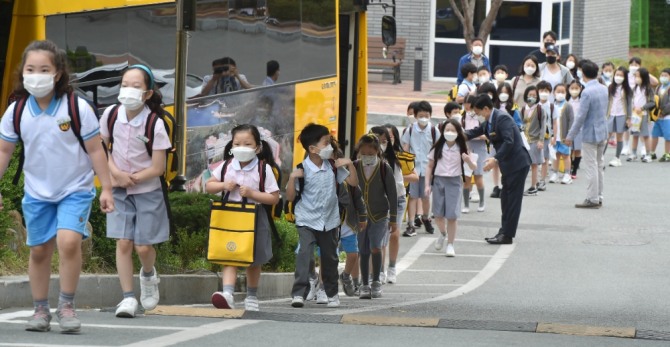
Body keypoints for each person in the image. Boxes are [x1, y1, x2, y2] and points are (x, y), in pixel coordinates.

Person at [0, 40, 114, 333]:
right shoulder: (16, 111)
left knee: (68, 242)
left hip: (75, 189)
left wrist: (108, 188)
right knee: (39, 250)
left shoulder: (76, 107)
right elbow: (3, 152)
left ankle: (66, 305)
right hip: (37, 192)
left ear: (59, 73)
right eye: (30, 69)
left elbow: (96, 149)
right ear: (22, 73)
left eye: (44, 69)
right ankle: (40, 310)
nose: (36, 75)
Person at [100, 65, 170, 318]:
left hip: (148, 191)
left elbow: (158, 167)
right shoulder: (110, 114)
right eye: (125, 85)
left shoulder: (155, 123)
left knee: (143, 247)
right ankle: (128, 298)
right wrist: (116, 175)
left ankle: (149, 275)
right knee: (123, 241)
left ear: (148, 93)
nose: (128, 90)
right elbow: (101, 148)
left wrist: (135, 178)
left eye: (136, 86)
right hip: (119, 189)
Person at [206, 124, 280, 311]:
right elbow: (209, 186)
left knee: (253, 260)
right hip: (230, 216)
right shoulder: (226, 166)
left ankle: (252, 296)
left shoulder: (264, 169)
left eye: (247, 144)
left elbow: (273, 198)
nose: (241, 147)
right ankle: (228, 294)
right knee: (229, 256)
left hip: (254, 217)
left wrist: (253, 194)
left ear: (257, 147)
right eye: (237, 143)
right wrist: (223, 185)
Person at [287, 123, 358, 308]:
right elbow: (290, 196)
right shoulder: (302, 169)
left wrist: (349, 164)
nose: (330, 147)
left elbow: (353, 182)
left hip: (330, 221)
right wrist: (292, 178)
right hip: (306, 220)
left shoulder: (333, 167)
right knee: (305, 254)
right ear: (312, 149)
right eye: (326, 143)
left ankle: (331, 292)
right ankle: (298, 293)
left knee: (330, 258)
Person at [465, 94, 531, 244]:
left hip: (517, 164)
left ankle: (507, 235)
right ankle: (504, 231)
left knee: (512, 201)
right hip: (508, 165)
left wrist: (495, 159)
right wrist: (456, 134)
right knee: (506, 200)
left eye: (478, 113)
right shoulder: (489, 121)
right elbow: (474, 132)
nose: (477, 116)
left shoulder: (502, 118)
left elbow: (509, 141)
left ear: (486, 109)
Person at [354, 133, 397, 298]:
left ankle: (376, 281)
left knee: (375, 246)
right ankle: (364, 284)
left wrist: (393, 219)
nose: (367, 157)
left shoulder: (385, 168)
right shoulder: (354, 166)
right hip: (360, 217)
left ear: (378, 152)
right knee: (363, 250)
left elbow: (392, 195)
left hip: (379, 214)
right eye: (364, 154)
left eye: (371, 154)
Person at [425, 119, 476, 256]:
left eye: (453, 130)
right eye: (447, 130)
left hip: (454, 181)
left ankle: (450, 244)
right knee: (438, 214)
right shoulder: (437, 148)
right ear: (443, 132)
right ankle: (443, 233)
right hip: (438, 181)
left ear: (458, 132)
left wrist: (468, 160)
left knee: (452, 216)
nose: (450, 133)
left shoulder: (463, 147)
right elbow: (429, 166)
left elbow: (473, 168)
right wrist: (427, 185)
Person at [564, 60, 609, 209]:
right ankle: (599, 196)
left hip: (590, 133)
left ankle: (592, 198)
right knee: (599, 165)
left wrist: (570, 136)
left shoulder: (587, 92)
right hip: (603, 131)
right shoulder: (604, 88)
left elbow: (580, 117)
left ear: (583, 73)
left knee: (591, 166)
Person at [383, 123, 418, 284]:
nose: (387, 139)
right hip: (379, 199)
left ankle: (392, 267)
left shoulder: (402, 156)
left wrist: (397, 179)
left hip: (398, 198)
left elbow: (415, 176)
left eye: (390, 136)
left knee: (394, 234)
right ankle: (380, 270)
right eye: (384, 137)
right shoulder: (373, 154)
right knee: (381, 236)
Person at [401, 101, 437, 236]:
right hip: (413, 170)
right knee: (413, 197)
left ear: (430, 115)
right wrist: (405, 168)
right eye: (421, 115)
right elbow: (405, 148)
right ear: (415, 116)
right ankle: (410, 224)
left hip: (428, 169)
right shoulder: (410, 130)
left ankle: (426, 217)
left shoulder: (434, 130)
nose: (423, 118)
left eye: (426, 115)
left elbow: (437, 149)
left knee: (426, 196)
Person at [460, 95, 487, 213]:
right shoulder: (463, 117)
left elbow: (487, 133)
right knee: (466, 177)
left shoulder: (480, 117)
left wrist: (476, 135)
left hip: (479, 147)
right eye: (464, 103)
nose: (466, 105)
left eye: (468, 103)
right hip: (467, 148)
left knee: (478, 176)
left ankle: (482, 202)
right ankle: (466, 205)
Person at [627, 67, 656, 163]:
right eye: (636, 76)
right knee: (634, 135)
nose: (636, 78)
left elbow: (652, 102)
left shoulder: (648, 89)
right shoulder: (635, 88)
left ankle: (648, 154)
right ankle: (633, 154)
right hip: (635, 115)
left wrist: (643, 108)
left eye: (638, 76)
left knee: (645, 135)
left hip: (643, 114)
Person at [520, 86, 545, 197]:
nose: (532, 97)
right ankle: (522, 186)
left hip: (535, 140)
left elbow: (544, 125)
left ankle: (533, 187)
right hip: (524, 140)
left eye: (534, 95)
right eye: (530, 95)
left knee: (534, 164)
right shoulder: (522, 109)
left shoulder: (540, 109)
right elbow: (520, 123)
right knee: (524, 164)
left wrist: (541, 140)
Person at [606, 67, 633, 167]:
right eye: (617, 75)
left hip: (622, 114)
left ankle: (617, 158)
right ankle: (601, 157)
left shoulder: (627, 90)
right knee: (607, 135)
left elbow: (630, 104)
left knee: (619, 136)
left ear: (625, 77)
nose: (618, 77)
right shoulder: (610, 87)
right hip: (611, 114)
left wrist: (629, 117)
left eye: (621, 75)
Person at [549, 83, 575, 184]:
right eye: (558, 91)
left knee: (565, 155)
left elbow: (572, 120)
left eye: (562, 92)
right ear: (554, 93)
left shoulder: (568, 105)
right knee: (556, 155)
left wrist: (570, 135)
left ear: (566, 93)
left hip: (564, 136)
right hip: (555, 136)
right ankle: (555, 173)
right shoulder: (552, 105)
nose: (560, 93)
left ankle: (567, 174)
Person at [536, 80, 555, 191]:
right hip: (535, 136)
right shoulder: (535, 106)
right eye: (542, 90)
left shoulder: (552, 106)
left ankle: (542, 180)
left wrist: (554, 136)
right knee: (535, 159)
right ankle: (536, 180)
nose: (544, 92)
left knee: (545, 159)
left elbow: (555, 121)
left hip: (547, 136)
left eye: (546, 91)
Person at [651, 68, 670, 162]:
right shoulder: (658, 87)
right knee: (655, 134)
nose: (663, 77)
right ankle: (652, 153)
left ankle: (667, 154)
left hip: (667, 116)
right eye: (662, 75)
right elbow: (655, 100)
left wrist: (663, 112)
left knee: (668, 136)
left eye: (666, 76)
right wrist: (655, 112)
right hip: (657, 116)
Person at [567, 80, 584, 178]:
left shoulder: (582, 101)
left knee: (577, 149)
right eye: (572, 88)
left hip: (579, 129)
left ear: (580, 89)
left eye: (576, 88)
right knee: (569, 150)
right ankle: (568, 169)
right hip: (569, 128)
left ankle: (574, 171)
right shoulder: (567, 101)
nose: (574, 90)